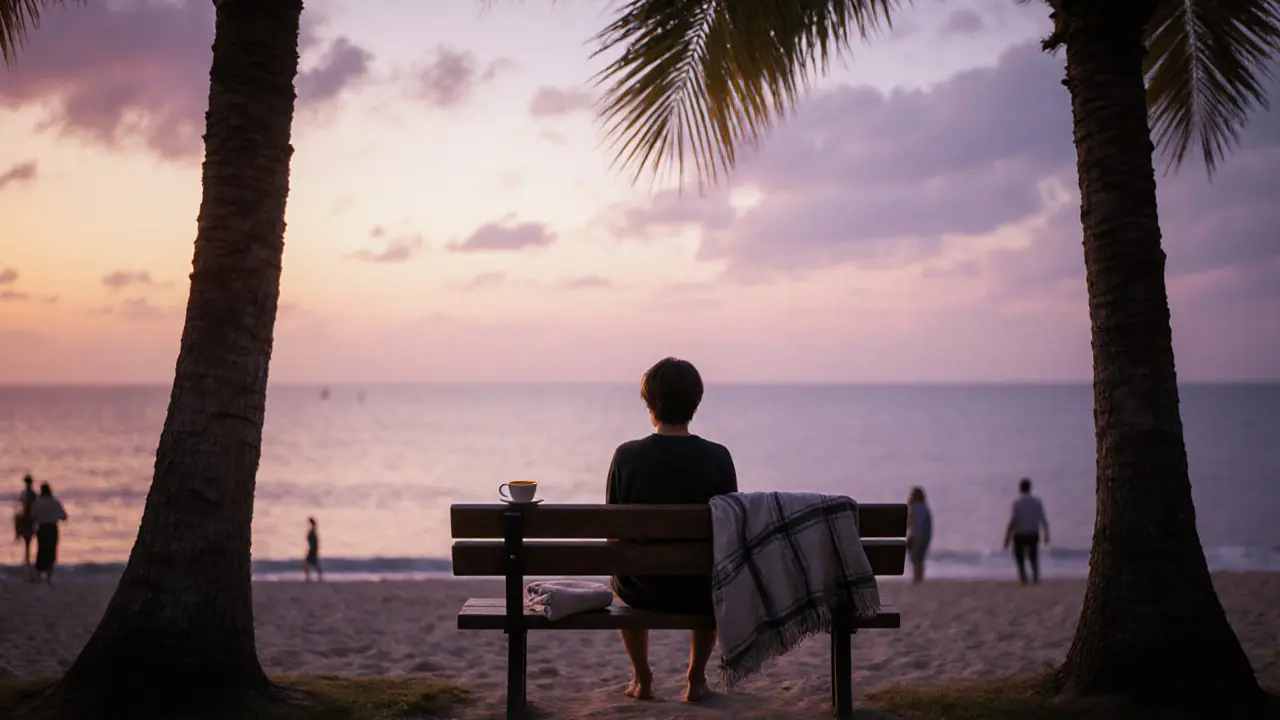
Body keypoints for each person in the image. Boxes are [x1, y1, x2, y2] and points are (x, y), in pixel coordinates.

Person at [606, 357, 737, 703]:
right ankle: (695, 678)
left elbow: (613, 535)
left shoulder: (626, 457)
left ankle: (642, 676)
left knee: (622, 574)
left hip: (641, 589)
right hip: (699, 590)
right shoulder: (719, 457)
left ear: (652, 405)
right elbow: (728, 534)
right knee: (714, 574)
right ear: (695, 403)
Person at [1003, 477, 1049, 585]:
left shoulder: (1017, 503)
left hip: (1020, 533)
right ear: (1030, 488)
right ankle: (1035, 577)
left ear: (1020, 488)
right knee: (1033, 556)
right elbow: (1043, 519)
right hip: (1033, 532)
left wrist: (1007, 537)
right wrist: (1046, 533)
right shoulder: (1037, 502)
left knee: (1020, 557)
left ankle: (1023, 577)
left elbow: (1014, 521)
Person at [32, 482, 68, 585]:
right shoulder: (54, 502)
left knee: (41, 550)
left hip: (42, 528)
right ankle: (49, 575)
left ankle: (39, 574)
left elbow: (33, 515)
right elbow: (64, 516)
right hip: (52, 528)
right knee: (51, 550)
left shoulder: (37, 502)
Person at [906, 486, 933, 584]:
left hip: (917, 535)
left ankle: (916, 576)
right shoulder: (925, 507)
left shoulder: (914, 506)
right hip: (925, 535)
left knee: (915, 556)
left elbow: (909, 522)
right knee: (920, 557)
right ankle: (919, 576)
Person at [14, 474, 37, 574]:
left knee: (27, 541)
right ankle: (27, 561)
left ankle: (27, 561)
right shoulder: (32, 494)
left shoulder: (27, 494)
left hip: (28, 519)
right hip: (30, 518)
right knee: (28, 541)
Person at [304, 517, 322, 582]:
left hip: (312, 549)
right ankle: (317, 575)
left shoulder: (313, 531)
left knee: (309, 563)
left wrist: (314, 549)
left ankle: (308, 577)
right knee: (312, 563)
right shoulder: (313, 531)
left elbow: (315, 542)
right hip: (312, 549)